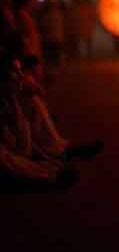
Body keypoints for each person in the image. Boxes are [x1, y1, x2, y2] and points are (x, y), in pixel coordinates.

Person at [0, 51, 78, 190]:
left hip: (16, 152)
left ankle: (57, 154)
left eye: (21, 71)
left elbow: (24, 146)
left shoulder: (11, 97)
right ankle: (45, 177)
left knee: (32, 100)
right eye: (15, 72)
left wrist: (49, 161)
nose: (21, 76)